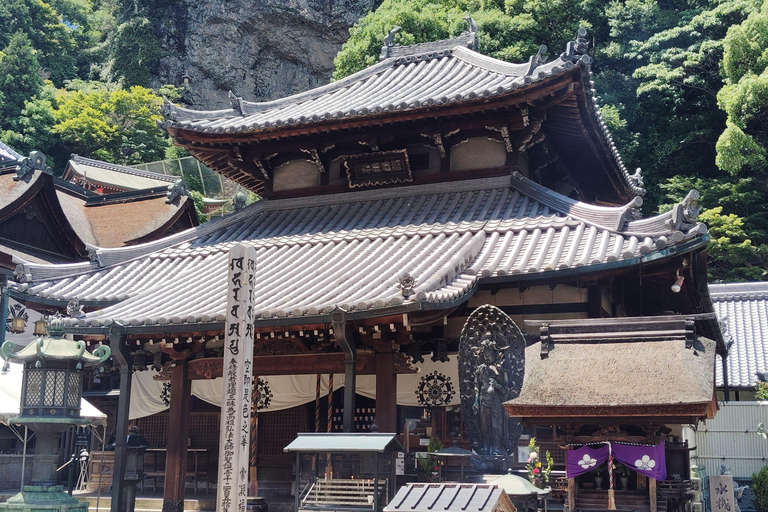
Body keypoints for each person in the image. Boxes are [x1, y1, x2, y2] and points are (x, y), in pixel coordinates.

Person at [472, 337, 509, 455]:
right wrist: (476, 401)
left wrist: (497, 385)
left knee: (496, 425)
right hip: (483, 400)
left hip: (496, 401)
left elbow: (506, 390)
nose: (487, 358)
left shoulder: (500, 370)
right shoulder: (480, 370)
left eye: (490, 355)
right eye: (486, 355)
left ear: (495, 355)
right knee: (485, 425)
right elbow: (476, 387)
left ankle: (496, 448)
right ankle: (486, 447)